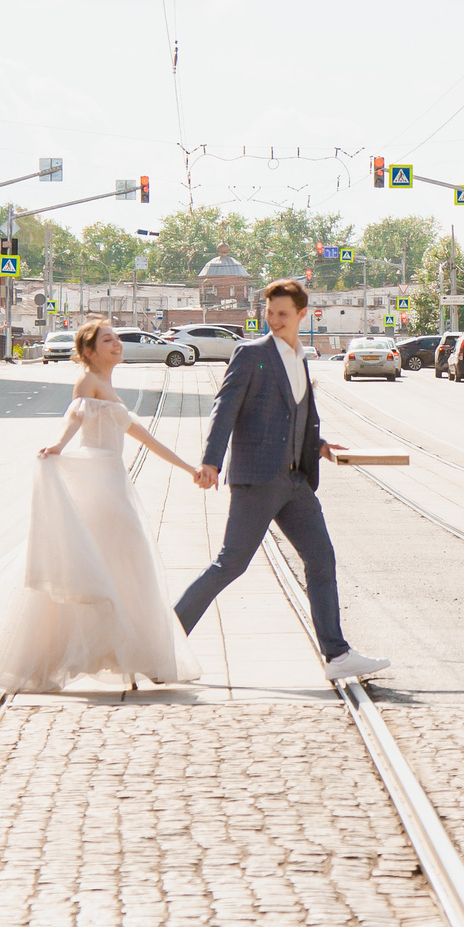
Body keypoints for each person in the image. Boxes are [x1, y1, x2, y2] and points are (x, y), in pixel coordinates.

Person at [0, 319, 203, 692]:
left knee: (125, 565)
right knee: (97, 566)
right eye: (108, 340)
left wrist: (190, 468)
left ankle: (136, 654)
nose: (117, 344)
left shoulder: (109, 387)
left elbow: (147, 438)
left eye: (117, 338)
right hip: (97, 485)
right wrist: (58, 446)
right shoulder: (89, 381)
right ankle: (53, 658)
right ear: (89, 351)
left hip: (114, 485)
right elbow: (73, 416)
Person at [174, 278, 390, 684]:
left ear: (302, 315)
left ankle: (337, 654)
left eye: (282, 314)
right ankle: (166, 640)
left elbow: (295, 413)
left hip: (294, 481)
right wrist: (211, 462)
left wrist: (320, 444)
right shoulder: (251, 353)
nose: (273, 320)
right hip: (258, 478)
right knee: (230, 565)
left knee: (321, 559)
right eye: (270, 313)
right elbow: (225, 409)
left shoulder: (301, 357)